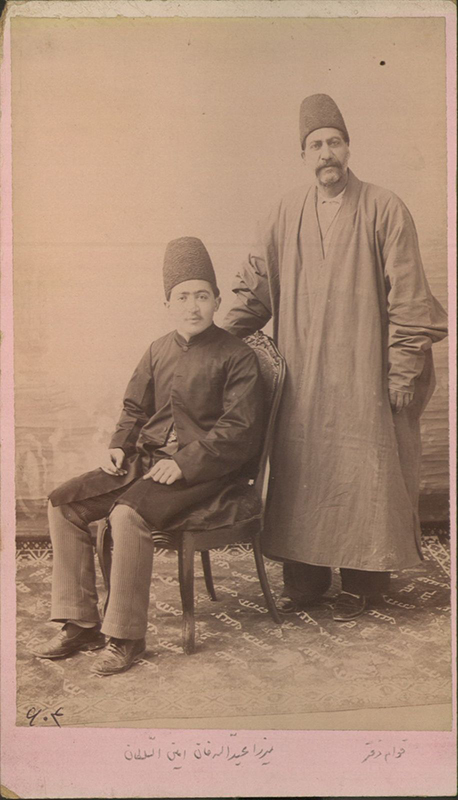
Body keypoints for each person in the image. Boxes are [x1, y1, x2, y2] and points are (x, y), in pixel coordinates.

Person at [223, 94, 448, 621]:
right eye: (315, 145)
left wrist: (402, 372)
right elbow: (253, 291)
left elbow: (410, 299)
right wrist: (213, 346)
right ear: (303, 155)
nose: (326, 153)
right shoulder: (283, 213)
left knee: (368, 475)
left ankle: (366, 583)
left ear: (348, 148)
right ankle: (305, 582)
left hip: (366, 378)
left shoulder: (384, 208)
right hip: (302, 382)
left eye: (334, 142)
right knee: (302, 475)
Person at [32, 237, 264, 675]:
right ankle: (80, 622)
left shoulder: (237, 356)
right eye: (183, 297)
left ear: (217, 301)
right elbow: (135, 409)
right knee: (63, 503)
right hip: (148, 461)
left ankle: (126, 637)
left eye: (202, 296)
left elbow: (239, 432)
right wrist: (119, 445)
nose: (192, 306)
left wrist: (185, 463)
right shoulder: (158, 349)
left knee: (127, 515)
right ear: (168, 304)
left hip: (207, 472)